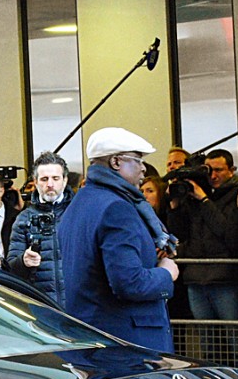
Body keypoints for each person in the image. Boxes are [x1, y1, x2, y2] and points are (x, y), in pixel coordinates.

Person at [54, 128, 178, 350]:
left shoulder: (78, 204)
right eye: (137, 160)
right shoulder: (117, 208)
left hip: (93, 336)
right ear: (116, 162)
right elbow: (130, 283)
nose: (143, 168)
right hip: (128, 344)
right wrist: (166, 274)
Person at [172, 149, 238, 321]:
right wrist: (174, 206)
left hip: (225, 278)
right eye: (209, 170)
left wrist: (204, 200)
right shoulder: (194, 195)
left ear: (231, 170)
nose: (213, 176)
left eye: (219, 170)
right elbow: (180, 234)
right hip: (195, 277)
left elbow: (227, 232)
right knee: (205, 333)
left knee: (234, 332)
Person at [8, 152, 73, 299]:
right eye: (44, 179)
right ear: (35, 182)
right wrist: (23, 261)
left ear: (65, 181)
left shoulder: (80, 212)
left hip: (77, 302)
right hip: (41, 302)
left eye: (55, 178)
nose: (50, 184)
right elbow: (11, 267)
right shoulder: (24, 219)